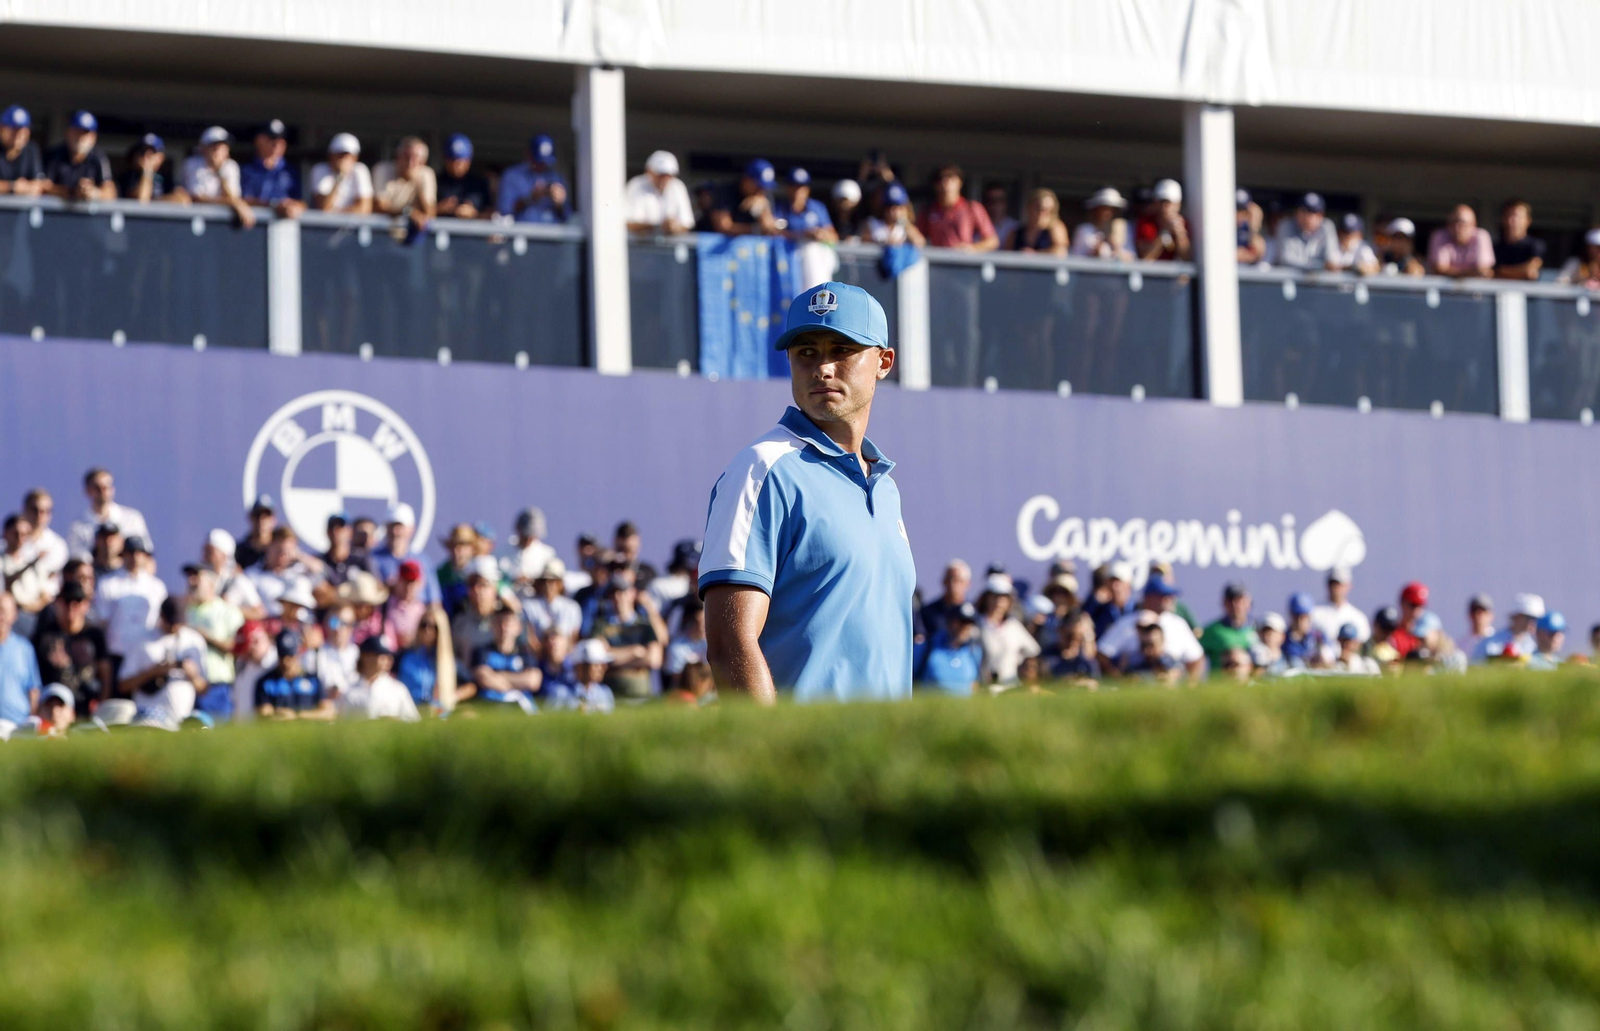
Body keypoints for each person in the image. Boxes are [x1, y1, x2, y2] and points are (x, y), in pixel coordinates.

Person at [700, 282, 914, 704]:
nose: (823, 368)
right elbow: (729, 647)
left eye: (842, 350)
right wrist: (779, 758)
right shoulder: (762, 467)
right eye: (807, 353)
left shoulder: (885, 488)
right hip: (804, 762)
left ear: (884, 361)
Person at [119, 597, 207, 725]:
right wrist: (153, 672)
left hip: (181, 719)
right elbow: (123, 685)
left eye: (179, 622)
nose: (175, 627)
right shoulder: (142, 641)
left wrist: (193, 676)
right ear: (161, 616)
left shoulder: (194, 641)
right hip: (147, 720)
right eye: (172, 622)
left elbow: (204, 689)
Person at [1098, 575, 1205, 677]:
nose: (1170, 599)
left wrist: (1190, 684)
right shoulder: (1127, 623)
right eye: (1164, 595)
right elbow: (1102, 653)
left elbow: (1196, 657)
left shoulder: (1178, 623)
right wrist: (1117, 678)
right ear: (1150, 597)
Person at [31, 582, 109, 717]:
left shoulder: (94, 635)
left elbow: (106, 673)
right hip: (54, 710)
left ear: (86, 605)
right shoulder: (44, 635)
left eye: (77, 601)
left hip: (87, 706)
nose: (72, 607)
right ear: (58, 603)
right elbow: (33, 676)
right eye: (66, 601)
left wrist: (101, 705)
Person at [94, 536, 167, 681]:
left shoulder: (156, 587)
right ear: (123, 555)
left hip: (146, 660)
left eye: (139, 553)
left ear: (146, 557)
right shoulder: (107, 584)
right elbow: (102, 623)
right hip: (117, 657)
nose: (135, 557)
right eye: (131, 552)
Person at [589, 564, 664, 700]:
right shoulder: (600, 625)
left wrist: (615, 657)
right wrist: (636, 652)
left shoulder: (644, 625)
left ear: (632, 593)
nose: (618, 597)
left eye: (622, 591)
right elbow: (599, 657)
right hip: (610, 695)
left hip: (642, 695)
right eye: (613, 593)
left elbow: (654, 659)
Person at [467, 605, 541, 710]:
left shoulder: (526, 653)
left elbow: (533, 681)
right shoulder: (481, 651)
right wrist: (518, 682)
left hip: (522, 707)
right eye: (499, 622)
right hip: (491, 706)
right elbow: (483, 679)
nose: (503, 627)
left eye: (508, 623)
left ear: (518, 628)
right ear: (492, 626)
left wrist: (497, 676)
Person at [67, 467, 150, 561]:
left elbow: (147, 556)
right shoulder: (78, 527)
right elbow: (78, 560)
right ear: (88, 491)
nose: (103, 492)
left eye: (107, 487)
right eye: (98, 488)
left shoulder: (132, 518)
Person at [974, 574, 1040, 690]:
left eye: (1003, 597)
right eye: (995, 596)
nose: (999, 601)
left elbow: (1033, 650)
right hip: (985, 688)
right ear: (987, 598)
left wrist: (1017, 661)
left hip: (1012, 687)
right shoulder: (977, 625)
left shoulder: (1014, 626)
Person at [184, 565, 243, 693]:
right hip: (188, 683)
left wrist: (204, 637)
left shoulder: (227, 611)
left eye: (197, 577)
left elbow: (237, 647)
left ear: (211, 583)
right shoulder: (187, 611)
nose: (191, 582)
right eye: (189, 577)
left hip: (217, 683)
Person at [368, 503, 441, 606]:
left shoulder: (423, 561)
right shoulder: (372, 558)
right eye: (391, 526)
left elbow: (434, 600)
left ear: (411, 529)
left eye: (399, 527)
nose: (395, 532)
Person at [181, 126, 255, 228]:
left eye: (223, 145)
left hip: (223, 224)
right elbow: (197, 199)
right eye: (214, 145)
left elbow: (232, 197)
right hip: (195, 222)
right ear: (203, 148)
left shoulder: (231, 166)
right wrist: (234, 203)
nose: (218, 149)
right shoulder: (192, 164)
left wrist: (220, 171)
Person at [254, 629, 334, 720]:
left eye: (291, 657)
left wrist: (299, 716)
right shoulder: (266, 682)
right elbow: (263, 714)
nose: (286, 662)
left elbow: (329, 712)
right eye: (282, 657)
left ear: (298, 653)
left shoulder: (312, 680)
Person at [918, 165, 998, 251]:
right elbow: (918, 239)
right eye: (941, 179)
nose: (946, 183)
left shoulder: (971, 207)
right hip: (937, 261)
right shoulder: (929, 210)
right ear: (936, 185)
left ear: (960, 182)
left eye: (951, 178)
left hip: (963, 261)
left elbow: (992, 240)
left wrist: (972, 248)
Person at [338, 637, 420, 721]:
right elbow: (342, 725)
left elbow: (413, 721)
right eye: (381, 655)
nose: (387, 660)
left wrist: (396, 722)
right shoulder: (350, 691)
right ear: (365, 656)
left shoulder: (398, 689)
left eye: (388, 656)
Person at [239, 118, 304, 218]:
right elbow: (243, 200)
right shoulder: (247, 169)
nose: (276, 144)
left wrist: (294, 207)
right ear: (259, 140)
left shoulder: (290, 171)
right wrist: (273, 205)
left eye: (280, 140)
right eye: (271, 139)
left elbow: (300, 201)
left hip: (284, 226)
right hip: (255, 224)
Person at [245, 527, 316, 618]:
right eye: (279, 550)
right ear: (269, 546)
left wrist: (299, 555)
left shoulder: (301, 570)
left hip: (301, 625)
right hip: (268, 624)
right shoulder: (251, 575)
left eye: (287, 551)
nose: (283, 555)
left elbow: (320, 570)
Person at [498, 134, 569, 224]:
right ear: (528, 155)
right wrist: (530, 198)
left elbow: (567, 216)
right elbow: (504, 211)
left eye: (545, 162)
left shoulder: (556, 178)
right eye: (539, 162)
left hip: (551, 235)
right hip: (520, 235)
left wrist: (559, 204)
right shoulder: (512, 176)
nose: (542, 166)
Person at [45, 110, 115, 201]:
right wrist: (72, 191)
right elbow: (43, 186)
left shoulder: (98, 157)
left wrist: (94, 192)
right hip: (55, 213)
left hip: (88, 214)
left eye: (85, 133)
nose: (80, 137)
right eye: (76, 132)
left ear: (93, 137)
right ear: (68, 132)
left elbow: (111, 191)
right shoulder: (54, 155)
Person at [372, 135, 437, 233]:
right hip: (382, 233)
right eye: (406, 157)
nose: (410, 163)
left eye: (415, 158)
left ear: (423, 162)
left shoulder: (426, 174)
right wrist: (407, 212)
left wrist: (417, 185)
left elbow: (430, 213)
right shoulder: (382, 169)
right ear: (398, 156)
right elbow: (379, 207)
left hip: (413, 236)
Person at [915, 602, 982, 695]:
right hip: (931, 707)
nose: (965, 627)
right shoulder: (927, 647)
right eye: (961, 622)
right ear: (949, 622)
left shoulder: (974, 651)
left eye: (969, 623)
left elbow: (976, 684)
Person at [622, 149, 694, 234]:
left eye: (668, 175)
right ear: (649, 171)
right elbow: (628, 223)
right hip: (638, 246)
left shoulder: (678, 186)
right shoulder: (636, 184)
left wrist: (674, 228)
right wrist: (659, 226)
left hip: (670, 245)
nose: (664, 179)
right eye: (660, 175)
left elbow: (687, 223)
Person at [0, 594, 41, 736]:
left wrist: (31, 719)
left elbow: (34, 689)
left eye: (4, 611)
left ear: (14, 615)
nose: (1, 617)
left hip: (17, 726)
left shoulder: (24, 648)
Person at [1309, 567, 1369, 660]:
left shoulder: (1358, 617)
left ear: (1348, 585)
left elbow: (1363, 646)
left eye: (1339, 583)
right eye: (1332, 583)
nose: (1336, 587)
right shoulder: (1314, 613)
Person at [707, 158, 779, 235]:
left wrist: (763, 210)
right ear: (746, 180)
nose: (761, 190)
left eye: (764, 187)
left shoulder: (763, 195)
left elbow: (769, 227)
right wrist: (755, 229)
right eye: (758, 186)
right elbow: (723, 226)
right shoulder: (726, 191)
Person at [521, 558, 582, 646]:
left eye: (553, 581)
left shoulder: (572, 608)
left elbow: (573, 638)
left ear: (560, 583)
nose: (548, 585)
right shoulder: (529, 606)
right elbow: (529, 637)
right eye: (545, 580)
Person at [1269, 193, 1337, 270]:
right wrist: (1319, 266)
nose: (1308, 217)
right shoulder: (1286, 226)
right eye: (1304, 211)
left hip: (1319, 280)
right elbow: (1286, 259)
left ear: (1321, 215)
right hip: (1288, 279)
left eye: (1313, 212)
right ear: (1297, 213)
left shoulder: (1326, 227)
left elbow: (1332, 260)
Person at [309, 133, 373, 214]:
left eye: (348, 156)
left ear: (355, 158)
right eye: (340, 155)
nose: (344, 159)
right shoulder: (319, 169)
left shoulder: (360, 170)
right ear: (330, 155)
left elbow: (364, 209)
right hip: (324, 225)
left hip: (355, 225)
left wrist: (335, 211)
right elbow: (324, 207)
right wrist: (340, 177)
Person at [1199, 582, 1257, 669]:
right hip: (1220, 682)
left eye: (1240, 600)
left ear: (1249, 603)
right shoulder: (1212, 631)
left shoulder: (1257, 629)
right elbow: (1196, 658)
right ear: (1224, 603)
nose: (1235, 605)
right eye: (1231, 600)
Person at [20, 489, 68, 594]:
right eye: (35, 510)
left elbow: (54, 579)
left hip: (48, 605)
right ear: (25, 510)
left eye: (45, 511)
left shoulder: (57, 545)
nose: (39, 515)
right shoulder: (10, 542)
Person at [1427, 204, 1495, 278]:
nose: (1456, 227)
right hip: (1443, 288)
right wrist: (1471, 272)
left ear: (1473, 224)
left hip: (1477, 288)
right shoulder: (1439, 236)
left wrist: (1451, 271)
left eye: (1462, 223)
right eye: (1452, 222)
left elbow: (1483, 270)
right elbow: (1439, 269)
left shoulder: (1481, 236)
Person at [435, 133, 492, 220]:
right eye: (452, 160)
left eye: (460, 161)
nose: (456, 165)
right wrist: (439, 209)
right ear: (445, 160)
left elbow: (492, 214)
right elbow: (423, 214)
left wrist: (474, 213)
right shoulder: (436, 181)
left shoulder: (479, 183)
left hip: (473, 232)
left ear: (468, 161)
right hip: (441, 232)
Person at [661, 596, 709, 694]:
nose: (702, 627)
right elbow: (677, 679)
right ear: (689, 622)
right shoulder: (676, 648)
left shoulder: (711, 644)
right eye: (698, 622)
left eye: (705, 622)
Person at [1134, 179, 1190, 261]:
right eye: (1161, 202)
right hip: (1152, 273)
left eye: (1169, 203)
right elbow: (1145, 259)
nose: (1164, 207)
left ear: (1178, 205)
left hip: (1175, 273)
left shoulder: (1184, 224)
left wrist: (1180, 235)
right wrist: (1164, 234)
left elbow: (1187, 258)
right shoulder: (1146, 223)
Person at [776, 167, 837, 242]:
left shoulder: (818, 207)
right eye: (794, 187)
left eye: (801, 187)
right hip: (787, 251)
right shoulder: (779, 207)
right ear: (787, 188)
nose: (798, 191)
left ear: (807, 189)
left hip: (814, 251)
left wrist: (821, 234)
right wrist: (803, 235)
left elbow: (834, 237)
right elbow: (773, 233)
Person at [500, 507, 557, 586]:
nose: (529, 539)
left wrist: (533, 582)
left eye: (533, 535)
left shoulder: (547, 555)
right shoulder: (501, 553)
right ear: (518, 529)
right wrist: (513, 581)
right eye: (526, 535)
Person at [1072, 187, 1133, 259]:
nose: (1108, 213)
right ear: (1096, 209)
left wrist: (1116, 247)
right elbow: (1076, 256)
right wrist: (1094, 253)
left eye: (1112, 209)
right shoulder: (1084, 229)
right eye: (1104, 208)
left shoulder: (1124, 229)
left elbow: (1132, 257)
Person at [117, 134, 180, 204]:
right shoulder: (128, 177)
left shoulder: (166, 178)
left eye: (152, 152)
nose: (146, 155)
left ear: (161, 157)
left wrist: (155, 201)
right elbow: (142, 200)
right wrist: (147, 171)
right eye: (143, 151)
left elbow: (182, 199)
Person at [919, 559, 972, 642]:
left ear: (967, 584)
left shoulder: (973, 615)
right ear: (943, 581)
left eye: (958, 580)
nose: (953, 585)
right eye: (949, 579)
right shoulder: (928, 613)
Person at [1119, 613, 1181, 684]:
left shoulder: (1168, 661)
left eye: (1152, 645)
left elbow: (1174, 676)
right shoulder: (1134, 661)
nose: (1147, 650)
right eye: (1144, 645)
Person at [1492, 200, 1544, 281]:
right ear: (1502, 219)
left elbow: (1530, 271)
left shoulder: (1535, 245)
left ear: (1528, 220)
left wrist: (1501, 271)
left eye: (1517, 216)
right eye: (1509, 216)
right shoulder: (1494, 247)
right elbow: (1488, 273)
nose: (1513, 221)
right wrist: (1520, 272)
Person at [1005, 188, 1068, 255]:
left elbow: (1060, 251)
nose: (1042, 213)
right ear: (1029, 207)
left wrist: (1035, 254)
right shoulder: (1016, 232)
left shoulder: (1055, 228)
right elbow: (1006, 254)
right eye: (1038, 208)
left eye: (1048, 210)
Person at [0, 104, 46, 195]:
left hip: (23, 208)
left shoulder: (31, 150)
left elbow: (40, 183)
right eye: (13, 129)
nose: (18, 134)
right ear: (1, 129)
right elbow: (16, 187)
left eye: (22, 130)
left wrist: (27, 187)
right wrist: (12, 186)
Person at [435, 524, 480, 616]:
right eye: (453, 546)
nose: (456, 551)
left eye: (461, 546)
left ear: (471, 548)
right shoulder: (440, 574)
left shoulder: (481, 571)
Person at [1047, 611, 1101, 685]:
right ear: (1060, 632)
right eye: (1070, 636)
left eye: (1079, 639)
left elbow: (1095, 685)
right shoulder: (1047, 657)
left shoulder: (1087, 663)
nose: (1073, 642)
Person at [1084, 562, 1136, 639]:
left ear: (1128, 585)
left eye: (1118, 582)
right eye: (1111, 581)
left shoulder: (1138, 611)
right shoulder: (1098, 612)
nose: (1114, 586)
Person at [565, 638, 617, 713]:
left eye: (603, 664)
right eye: (596, 664)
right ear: (580, 667)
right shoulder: (562, 694)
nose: (603, 668)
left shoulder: (605, 693)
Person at [234, 494, 277, 570]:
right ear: (250, 518)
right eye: (257, 515)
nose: (261, 520)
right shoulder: (238, 551)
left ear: (273, 520)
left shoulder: (279, 552)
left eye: (266, 516)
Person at [1281, 592, 1324, 668]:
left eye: (1303, 616)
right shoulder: (1283, 638)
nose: (1299, 621)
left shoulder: (1319, 637)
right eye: (1296, 616)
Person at [1235, 189, 1266, 264]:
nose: (1240, 214)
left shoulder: (1246, 227)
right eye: (1237, 210)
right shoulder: (1220, 226)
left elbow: (1258, 252)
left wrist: (1254, 225)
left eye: (1244, 211)